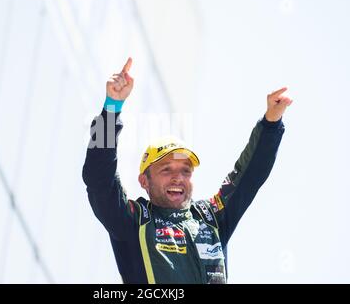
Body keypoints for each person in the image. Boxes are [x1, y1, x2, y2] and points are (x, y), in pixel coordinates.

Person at [82, 57, 292, 284]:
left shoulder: (211, 217)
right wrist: (111, 108)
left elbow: (249, 175)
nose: (178, 178)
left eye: (186, 171)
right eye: (166, 169)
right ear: (144, 181)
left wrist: (271, 123)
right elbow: (99, 179)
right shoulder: (134, 220)